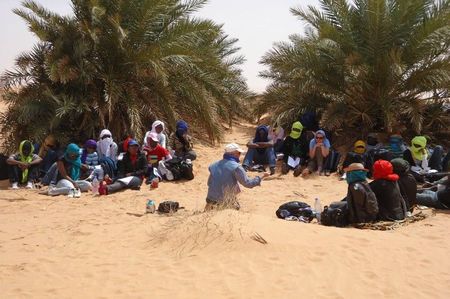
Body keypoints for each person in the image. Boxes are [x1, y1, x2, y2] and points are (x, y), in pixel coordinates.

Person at [206, 143, 269, 210]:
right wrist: (261, 176)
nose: (240, 155)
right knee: (236, 209)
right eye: (239, 153)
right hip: (225, 201)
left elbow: (209, 183)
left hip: (210, 199)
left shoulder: (214, 164)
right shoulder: (236, 167)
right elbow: (248, 184)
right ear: (234, 154)